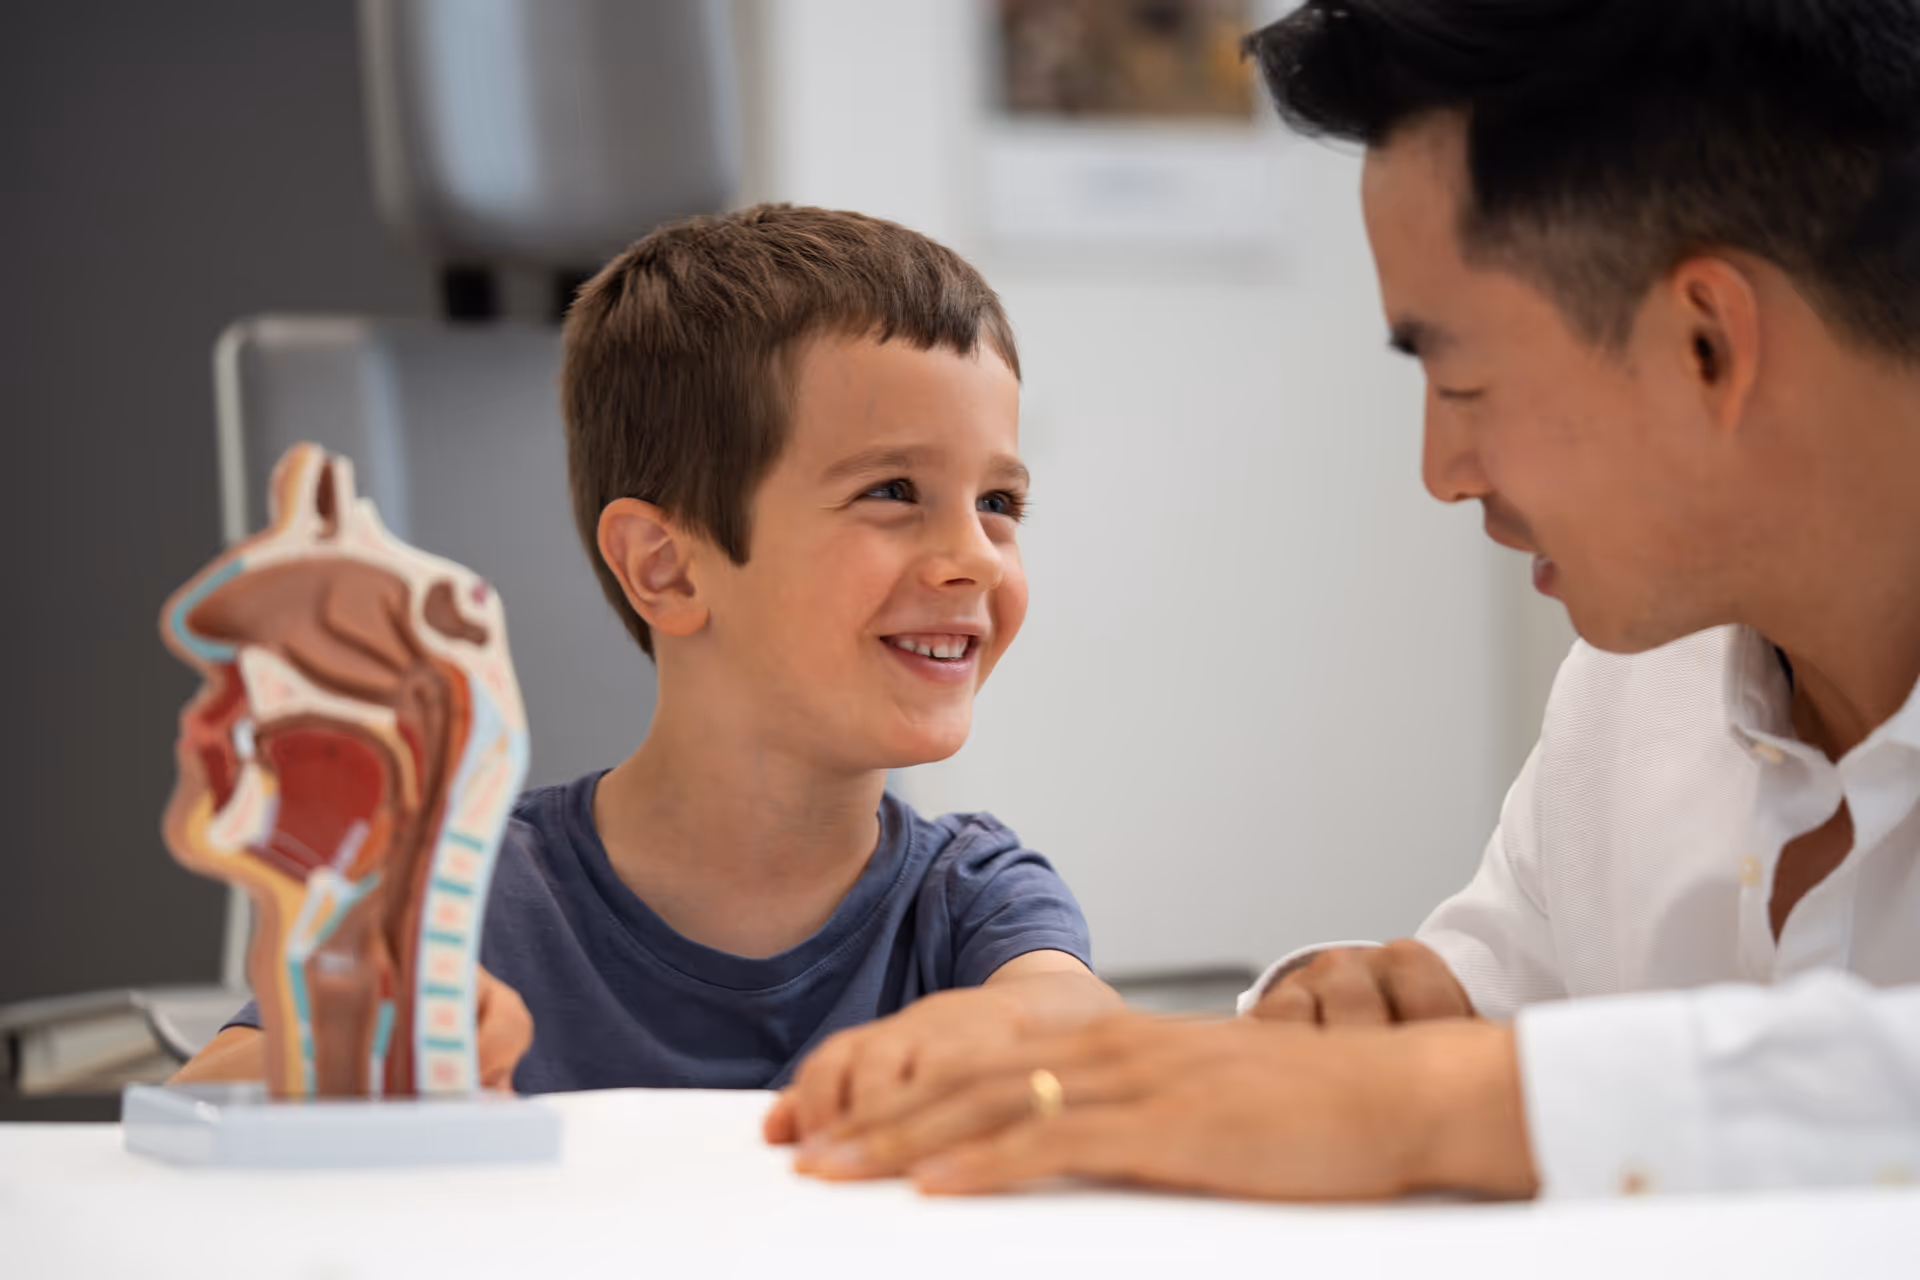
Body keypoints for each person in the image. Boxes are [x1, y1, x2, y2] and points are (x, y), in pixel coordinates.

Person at [782, 0, 1920, 1199]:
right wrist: (1367, 1006)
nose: (1441, 471)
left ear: (1708, 344)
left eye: (1463, 380)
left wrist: (1436, 1102)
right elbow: (1467, 1006)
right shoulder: (1633, 701)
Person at [173, 204, 1119, 1126]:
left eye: (999, 501)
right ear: (665, 567)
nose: (977, 557)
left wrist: (998, 1038)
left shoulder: (975, 895)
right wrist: (384, 1058)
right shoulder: (456, 897)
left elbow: (1071, 1026)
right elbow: (204, 1100)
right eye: (893, 491)